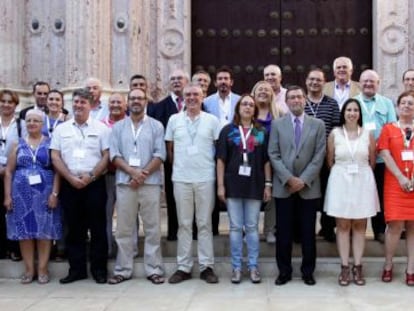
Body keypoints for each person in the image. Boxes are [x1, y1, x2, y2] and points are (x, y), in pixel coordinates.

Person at [51, 88, 110, 284]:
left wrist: (91, 176)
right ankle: (76, 270)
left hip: (94, 185)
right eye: (75, 102)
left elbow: (106, 156)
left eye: (82, 102)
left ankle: (99, 269)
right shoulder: (62, 129)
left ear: (91, 105)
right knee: (74, 229)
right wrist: (69, 177)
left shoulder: (102, 129)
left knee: (98, 228)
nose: (78, 105)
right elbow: (55, 156)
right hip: (70, 184)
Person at [268, 86, 326, 286]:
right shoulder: (277, 124)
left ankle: (308, 272)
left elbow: (319, 155)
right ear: (287, 101)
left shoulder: (318, 125)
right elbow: (273, 154)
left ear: (305, 100)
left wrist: (303, 180)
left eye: (299, 97)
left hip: (308, 188)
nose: (295, 101)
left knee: (308, 233)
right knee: (283, 232)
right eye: (291, 97)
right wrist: (289, 178)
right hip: (284, 187)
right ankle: (284, 272)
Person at [108, 88, 166, 285]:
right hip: (125, 184)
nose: (136, 102)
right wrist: (133, 173)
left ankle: (154, 269)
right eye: (132, 98)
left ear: (146, 102)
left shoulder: (156, 126)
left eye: (140, 98)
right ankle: (123, 269)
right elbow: (114, 155)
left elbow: (160, 155)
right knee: (124, 229)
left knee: (152, 228)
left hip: (150, 184)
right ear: (127, 102)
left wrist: (142, 175)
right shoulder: (118, 127)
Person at [165, 83, 220, 284]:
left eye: (196, 94)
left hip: (206, 177)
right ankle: (183, 266)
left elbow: (218, 148)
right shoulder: (174, 120)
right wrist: (181, 166)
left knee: (204, 223)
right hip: (181, 179)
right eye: (188, 94)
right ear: (183, 97)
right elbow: (170, 148)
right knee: (184, 224)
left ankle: (207, 266)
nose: (192, 98)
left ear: (203, 96)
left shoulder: (212, 121)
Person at [216, 94, 272, 284]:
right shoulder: (227, 131)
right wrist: (221, 185)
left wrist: (268, 184)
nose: (247, 107)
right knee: (234, 227)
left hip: (254, 185)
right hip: (232, 185)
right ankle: (237, 267)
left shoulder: (261, 131)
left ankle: (253, 266)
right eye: (244, 104)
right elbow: (221, 160)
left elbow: (266, 161)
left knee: (252, 227)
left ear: (255, 109)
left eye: (251, 104)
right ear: (238, 108)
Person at [324, 98, 379, 286]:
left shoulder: (367, 134)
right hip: (340, 180)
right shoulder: (335, 133)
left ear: (359, 114)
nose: (352, 113)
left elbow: (372, 161)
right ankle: (345, 267)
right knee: (343, 225)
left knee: (359, 226)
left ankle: (358, 266)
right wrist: (343, 171)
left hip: (363, 180)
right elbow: (329, 161)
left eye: (355, 110)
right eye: (349, 109)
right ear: (343, 113)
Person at [4, 109, 61, 284]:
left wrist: (55, 193)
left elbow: (57, 170)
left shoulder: (51, 143)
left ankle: (43, 269)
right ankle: (29, 269)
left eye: (36, 120)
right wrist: (7, 196)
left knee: (44, 232)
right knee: (25, 233)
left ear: (42, 124)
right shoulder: (17, 144)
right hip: (22, 195)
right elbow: (8, 171)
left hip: (45, 194)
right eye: (28, 121)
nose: (31, 124)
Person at [355, 69, 397, 243]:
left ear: (378, 84)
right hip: (359, 159)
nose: (368, 84)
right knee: (359, 194)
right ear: (360, 83)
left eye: (372, 81)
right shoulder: (354, 102)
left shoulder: (386, 103)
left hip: (381, 159)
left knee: (379, 194)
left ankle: (379, 229)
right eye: (365, 81)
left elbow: (392, 128)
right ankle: (358, 230)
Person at [378, 91, 414, 286]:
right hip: (394, 183)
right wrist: (401, 177)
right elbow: (384, 152)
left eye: (411, 103)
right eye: (404, 103)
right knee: (395, 226)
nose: (407, 106)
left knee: (413, 227)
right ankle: (388, 264)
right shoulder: (388, 128)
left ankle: (411, 269)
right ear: (398, 107)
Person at [148, 69, 189, 241]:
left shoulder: (196, 103)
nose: (176, 81)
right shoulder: (159, 107)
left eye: (179, 78)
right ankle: (174, 231)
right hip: (171, 160)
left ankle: (191, 231)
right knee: (173, 195)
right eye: (172, 78)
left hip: (195, 160)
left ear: (187, 81)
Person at [203, 66, 241, 235]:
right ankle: (214, 228)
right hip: (214, 149)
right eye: (220, 79)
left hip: (237, 149)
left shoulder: (241, 100)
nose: (223, 82)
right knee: (214, 187)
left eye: (226, 79)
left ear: (231, 82)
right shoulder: (207, 102)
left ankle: (240, 226)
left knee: (235, 185)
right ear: (215, 82)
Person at [304, 68, 340, 243]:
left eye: (318, 80)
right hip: (304, 158)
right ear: (306, 81)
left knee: (328, 192)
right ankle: (305, 228)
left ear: (324, 83)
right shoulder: (300, 102)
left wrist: (331, 154)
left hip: (326, 155)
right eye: (311, 79)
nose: (314, 82)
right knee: (306, 193)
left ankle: (327, 228)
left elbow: (335, 129)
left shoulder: (332, 104)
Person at [251, 80, 281, 244]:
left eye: (266, 90)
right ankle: (250, 229)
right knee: (253, 196)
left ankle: (270, 229)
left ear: (272, 95)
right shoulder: (247, 114)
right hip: (252, 162)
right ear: (253, 94)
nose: (263, 92)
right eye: (259, 89)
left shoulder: (280, 114)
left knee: (272, 198)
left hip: (274, 162)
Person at [101, 93, 128, 258]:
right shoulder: (101, 125)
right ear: (108, 105)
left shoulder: (132, 123)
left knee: (128, 214)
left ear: (125, 105)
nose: (116, 105)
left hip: (126, 174)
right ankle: (109, 248)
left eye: (119, 102)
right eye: (112, 102)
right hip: (107, 175)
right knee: (106, 213)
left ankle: (128, 251)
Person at [0, 90, 25, 261]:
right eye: (3, 101)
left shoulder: (21, 125)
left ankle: (14, 248)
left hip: (13, 173)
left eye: (10, 102)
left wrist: (7, 167)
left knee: (13, 210)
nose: (6, 105)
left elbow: (24, 147)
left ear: (15, 105)